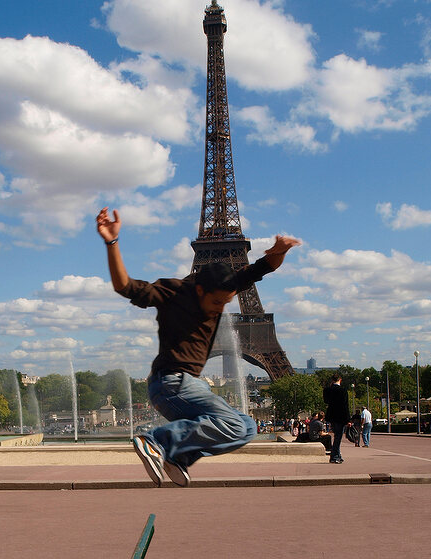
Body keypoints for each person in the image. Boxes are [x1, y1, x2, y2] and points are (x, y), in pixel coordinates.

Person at [98, 206, 301, 486]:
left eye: (226, 303)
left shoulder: (225, 283)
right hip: (172, 384)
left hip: (186, 386)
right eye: (217, 302)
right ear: (200, 289)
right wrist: (112, 242)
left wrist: (280, 250)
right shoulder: (174, 292)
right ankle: (156, 440)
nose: (221, 309)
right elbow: (125, 287)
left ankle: (177, 456)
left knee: (246, 429)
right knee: (240, 424)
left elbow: (264, 267)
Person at [323, 374, 350, 464]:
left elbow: (326, 401)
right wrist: (348, 419)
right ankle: (334, 456)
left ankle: (337, 455)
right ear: (340, 380)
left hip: (332, 416)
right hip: (341, 416)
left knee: (336, 436)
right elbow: (346, 406)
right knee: (338, 437)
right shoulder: (343, 390)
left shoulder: (327, 390)